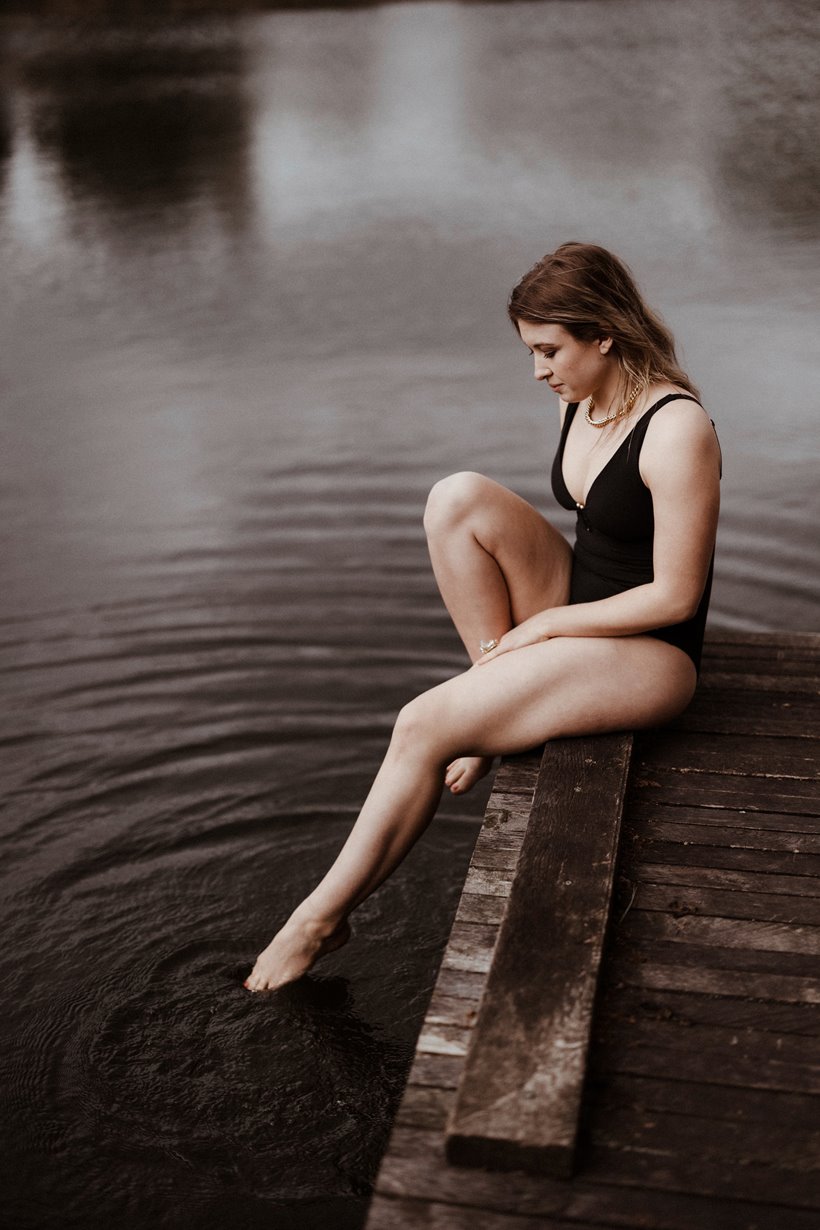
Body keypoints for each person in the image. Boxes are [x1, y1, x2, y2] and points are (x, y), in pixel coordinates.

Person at [244, 241, 721, 993]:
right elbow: (589, 534)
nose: (539, 371)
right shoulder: (585, 395)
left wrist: (543, 629)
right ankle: (491, 701)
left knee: (419, 725)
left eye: (548, 350)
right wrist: (543, 629)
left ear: (604, 333)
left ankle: (319, 921)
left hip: (652, 653)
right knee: (455, 497)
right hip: (582, 610)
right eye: (531, 351)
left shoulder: (676, 429)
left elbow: (676, 596)